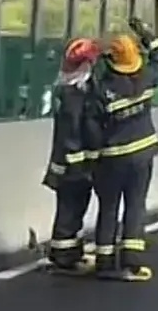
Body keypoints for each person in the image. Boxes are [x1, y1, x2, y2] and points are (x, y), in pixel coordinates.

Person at [88, 17, 158, 281]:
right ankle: (131, 260)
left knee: (108, 207)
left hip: (112, 158)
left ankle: (104, 260)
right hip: (143, 155)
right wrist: (148, 35)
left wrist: (92, 159)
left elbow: (92, 127)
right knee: (135, 205)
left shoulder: (103, 89)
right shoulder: (146, 79)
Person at [43, 37, 102, 273]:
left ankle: (67, 251)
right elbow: (82, 132)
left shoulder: (65, 91)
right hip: (75, 166)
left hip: (66, 164)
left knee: (70, 209)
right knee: (71, 209)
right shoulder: (76, 97)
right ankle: (64, 256)